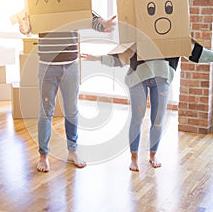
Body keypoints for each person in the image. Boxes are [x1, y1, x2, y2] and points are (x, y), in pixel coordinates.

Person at [82, 39, 213, 172]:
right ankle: (133, 157)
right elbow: (123, 56)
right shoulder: (140, 30)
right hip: (138, 76)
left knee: (157, 120)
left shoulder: (174, 33)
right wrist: (97, 58)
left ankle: (153, 155)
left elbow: (197, 53)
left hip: (162, 77)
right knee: (137, 119)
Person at [19, 12, 116, 172]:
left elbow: (90, 17)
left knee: (71, 110)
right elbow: (27, 28)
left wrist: (104, 25)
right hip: (47, 65)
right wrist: (23, 25)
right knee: (46, 112)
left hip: (70, 64)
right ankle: (43, 155)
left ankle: (72, 151)